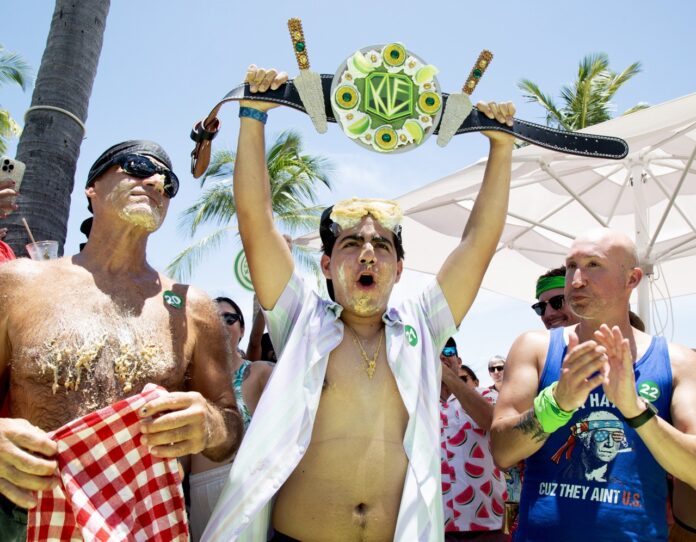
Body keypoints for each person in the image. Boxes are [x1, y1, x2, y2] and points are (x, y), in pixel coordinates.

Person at [202, 66, 516, 541]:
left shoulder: (421, 327)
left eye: (382, 246)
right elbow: (256, 220)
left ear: (399, 269)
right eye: (351, 244)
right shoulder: (301, 317)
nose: (368, 252)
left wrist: (501, 147)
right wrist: (253, 115)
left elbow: (478, 242)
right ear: (326, 266)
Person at [0, 141, 243, 538]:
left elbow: (229, 428)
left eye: (169, 182)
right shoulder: (19, 284)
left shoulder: (191, 307)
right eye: (136, 165)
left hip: (143, 518)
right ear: (91, 188)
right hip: (28, 515)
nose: (155, 181)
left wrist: (211, 425)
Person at [491, 228, 696, 541]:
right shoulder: (536, 347)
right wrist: (556, 405)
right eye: (572, 265)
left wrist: (636, 411)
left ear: (633, 279)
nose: (576, 280)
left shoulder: (677, 361)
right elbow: (502, 452)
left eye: (593, 265)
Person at [189, 296, 273, 541]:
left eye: (230, 318)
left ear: (242, 329)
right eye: (214, 318)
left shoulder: (260, 373)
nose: (223, 323)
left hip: (249, 492)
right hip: (201, 493)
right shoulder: (187, 380)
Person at [440, 339, 507, 541]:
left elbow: (491, 421)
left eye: (448, 351)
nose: (442, 355)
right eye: (436, 351)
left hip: (487, 524)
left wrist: (449, 377)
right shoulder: (417, 402)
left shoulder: (486, 395)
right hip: (435, 525)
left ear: (459, 360)